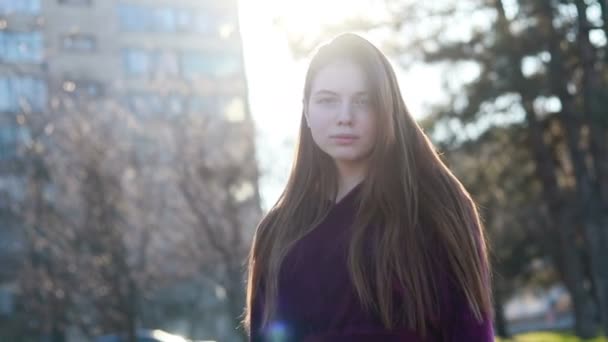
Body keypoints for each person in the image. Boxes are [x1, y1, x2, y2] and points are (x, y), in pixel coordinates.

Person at [243, 33, 494, 341]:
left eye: (364, 101)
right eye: (328, 101)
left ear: (387, 110)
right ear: (306, 110)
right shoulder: (277, 231)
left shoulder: (436, 205)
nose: (345, 117)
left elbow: (471, 331)